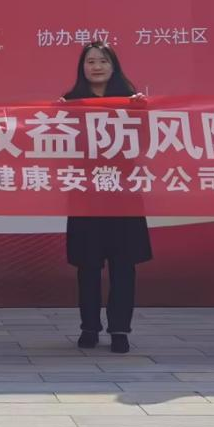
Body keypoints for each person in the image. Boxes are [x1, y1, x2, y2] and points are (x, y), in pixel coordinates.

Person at [59, 41, 151, 354]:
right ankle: (89, 327)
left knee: (123, 265)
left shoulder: (131, 100)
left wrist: (141, 111)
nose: (96, 67)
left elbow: (144, 143)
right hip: (85, 193)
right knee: (87, 266)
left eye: (103, 61)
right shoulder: (70, 101)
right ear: (82, 68)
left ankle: (120, 329)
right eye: (90, 61)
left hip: (123, 192)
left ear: (114, 66)